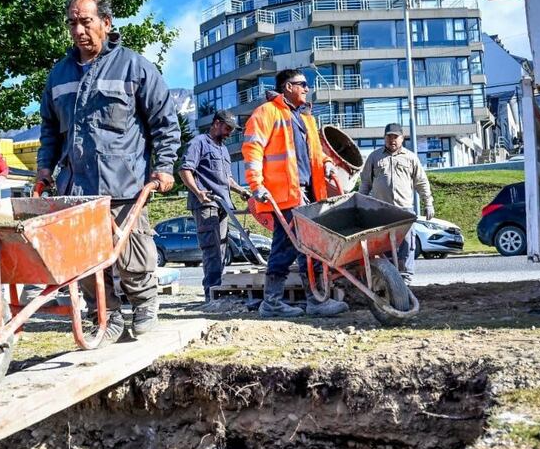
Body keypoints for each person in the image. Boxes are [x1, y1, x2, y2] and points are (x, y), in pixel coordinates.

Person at [36, 0, 179, 345]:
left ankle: (145, 305)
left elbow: (164, 122)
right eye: (72, 23)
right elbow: (50, 129)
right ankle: (106, 313)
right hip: (76, 186)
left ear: (106, 22)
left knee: (132, 254)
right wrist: (44, 168)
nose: (79, 30)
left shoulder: (134, 67)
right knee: (84, 260)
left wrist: (163, 167)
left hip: (124, 182)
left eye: (86, 21)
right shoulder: (59, 74)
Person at [243, 69, 350, 319]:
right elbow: (252, 150)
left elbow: (314, 152)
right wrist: (256, 185)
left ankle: (300, 300)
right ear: (287, 87)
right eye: (302, 84)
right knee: (293, 247)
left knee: (303, 247)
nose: (306, 88)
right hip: (285, 194)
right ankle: (290, 301)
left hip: (308, 193)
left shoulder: (306, 118)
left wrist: (325, 162)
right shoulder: (267, 113)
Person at [179, 109, 250, 302]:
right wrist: (198, 193)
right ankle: (211, 292)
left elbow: (226, 178)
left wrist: (240, 190)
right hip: (206, 204)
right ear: (216, 123)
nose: (229, 133)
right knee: (211, 249)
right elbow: (185, 170)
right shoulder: (198, 143)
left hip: (223, 205)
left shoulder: (223, 149)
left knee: (222, 249)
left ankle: (218, 289)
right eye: (227, 128)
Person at [358, 123, 434, 283]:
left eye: (395, 137)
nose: (392, 140)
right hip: (381, 210)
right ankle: (389, 279)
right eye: (389, 137)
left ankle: (405, 279)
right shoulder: (374, 157)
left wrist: (428, 203)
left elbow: (421, 182)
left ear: (402, 138)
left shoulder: (411, 157)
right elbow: (365, 182)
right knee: (383, 246)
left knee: (407, 244)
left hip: (404, 210)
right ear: (384, 138)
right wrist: (359, 204)